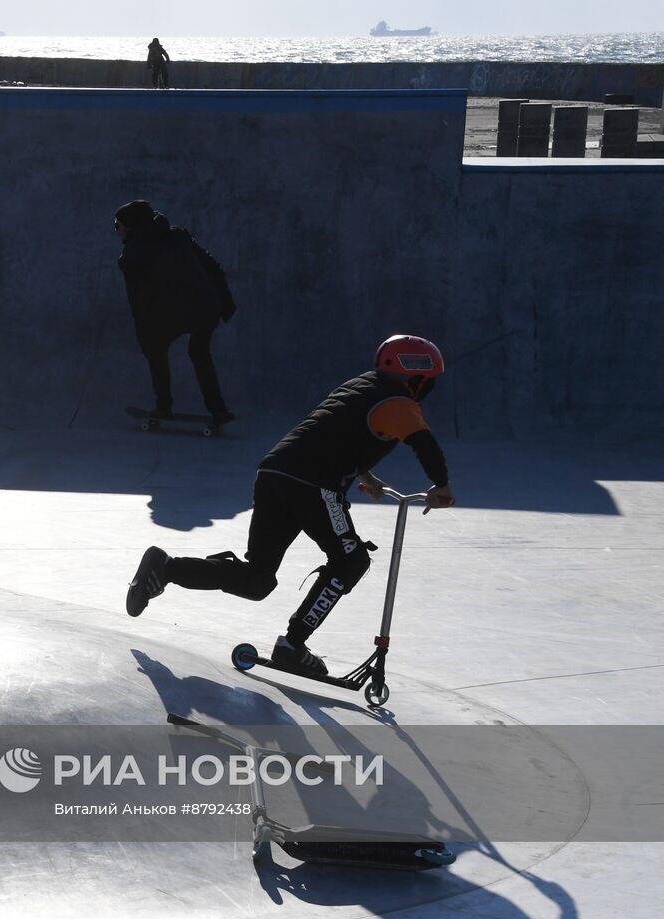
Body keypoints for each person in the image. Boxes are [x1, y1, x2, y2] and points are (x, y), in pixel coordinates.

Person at [125, 335, 455, 675]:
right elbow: (425, 445)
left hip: (274, 473)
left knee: (257, 580)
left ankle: (165, 568)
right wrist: (442, 486)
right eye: (428, 381)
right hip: (313, 484)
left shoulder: (360, 386)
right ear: (416, 378)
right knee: (351, 560)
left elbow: (336, 432)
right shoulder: (399, 403)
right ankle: (293, 646)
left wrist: (365, 477)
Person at [115, 199, 236, 426]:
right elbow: (211, 265)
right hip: (206, 306)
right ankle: (218, 408)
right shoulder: (178, 235)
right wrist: (225, 300)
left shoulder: (133, 255)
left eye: (117, 225)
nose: (117, 231)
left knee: (155, 348)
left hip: (178, 312)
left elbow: (140, 302)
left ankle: (163, 406)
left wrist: (144, 333)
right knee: (199, 352)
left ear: (131, 226)